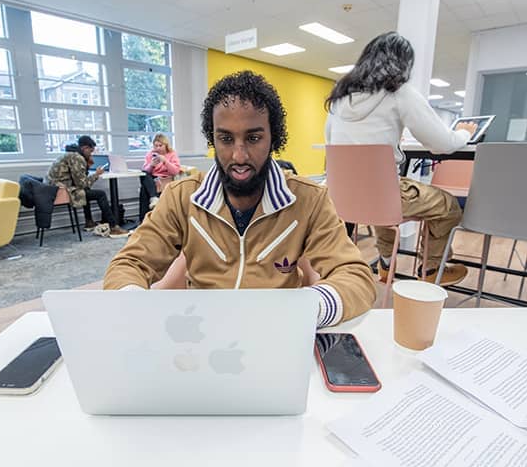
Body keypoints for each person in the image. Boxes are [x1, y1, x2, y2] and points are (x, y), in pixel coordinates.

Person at [104, 71, 376, 327]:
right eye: (225, 139)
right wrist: (133, 305)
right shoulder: (182, 197)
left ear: (274, 138)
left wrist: (308, 309)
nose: (239, 156)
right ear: (213, 138)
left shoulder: (309, 200)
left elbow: (356, 278)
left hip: (277, 334)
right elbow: (128, 264)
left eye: (254, 137)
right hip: (201, 336)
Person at [324, 31, 477, 287]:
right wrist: (465, 133)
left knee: (386, 201)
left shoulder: (340, 98)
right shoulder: (400, 92)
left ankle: (385, 263)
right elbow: (442, 144)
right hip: (382, 194)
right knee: (448, 206)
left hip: (342, 196)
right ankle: (432, 267)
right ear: (403, 63)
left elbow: (332, 144)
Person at [47, 135, 130, 238]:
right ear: (84, 148)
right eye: (90, 151)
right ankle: (113, 227)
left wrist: (88, 166)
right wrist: (96, 174)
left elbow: (78, 179)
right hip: (61, 191)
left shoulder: (70, 154)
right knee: (101, 194)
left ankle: (89, 221)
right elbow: (81, 183)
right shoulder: (77, 158)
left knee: (87, 190)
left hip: (54, 188)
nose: (91, 154)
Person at [138, 133, 181, 220]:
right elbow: (145, 171)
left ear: (166, 145)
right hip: (152, 179)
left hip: (165, 179)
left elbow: (175, 171)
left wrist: (165, 161)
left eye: (160, 145)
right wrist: (151, 165)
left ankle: (143, 220)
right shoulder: (151, 154)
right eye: (155, 146)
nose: (157, 148)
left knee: (144, 190)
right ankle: (153, 198)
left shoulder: (171, 154)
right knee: (143, 173)